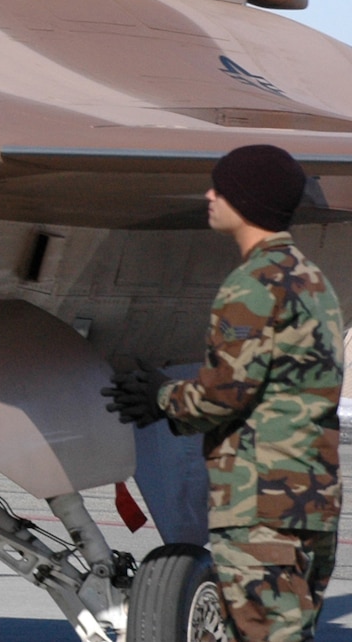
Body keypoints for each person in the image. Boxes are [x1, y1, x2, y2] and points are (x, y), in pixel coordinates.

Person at [105, 144, 343, 642]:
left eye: (223, 187)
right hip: (309, 499)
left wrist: (160, 398)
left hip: (260, 501)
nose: (210, 195)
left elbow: (224, 394)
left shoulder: (253, 285)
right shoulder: (314, 280)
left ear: (247, 201)